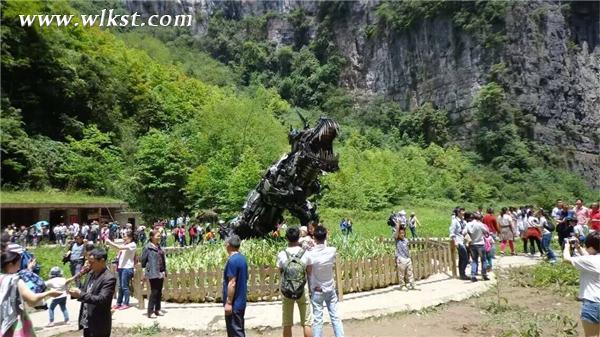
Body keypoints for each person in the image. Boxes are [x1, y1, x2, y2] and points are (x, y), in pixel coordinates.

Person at [1, 237, 63, 337]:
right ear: (10, 264)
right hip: (14, 325)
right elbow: (32, 300)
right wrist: (49, 293)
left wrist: (28, 271)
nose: (19, 266)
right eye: (18, 263)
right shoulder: (16, 281)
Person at [68, 248, 116, 337]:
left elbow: (102, 299)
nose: (89, 264)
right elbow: (86, 292)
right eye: (88, 261)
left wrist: (80, 294)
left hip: (99, 324)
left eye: (92, 262)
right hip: (87, 321)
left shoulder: (109, 278)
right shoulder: (91, 273)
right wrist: (74, 293)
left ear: (102, 261)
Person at [307, 226, 344, 337]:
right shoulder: (332, 251)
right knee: (335, 317)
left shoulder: (310, 254)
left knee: (317, 319)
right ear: (326, 236)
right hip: (330, 288)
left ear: (314, 238)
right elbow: (325, 246)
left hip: (317, 290)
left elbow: (308, 271)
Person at [562, 231, 600, 337]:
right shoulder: (594, 259)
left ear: (591, 247)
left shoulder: (590, 261)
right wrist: (578, 248)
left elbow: (566, 259)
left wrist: (566, 245)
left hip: (593, 304)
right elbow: (589, 256)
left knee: (591, 335)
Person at [277, 227, 313, 337]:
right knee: (307, 322)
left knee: (287, 323)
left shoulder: (282, 254)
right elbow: (309, 271)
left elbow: (280, 271)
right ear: (299, 237)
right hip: (302, 289)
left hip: (287, 290)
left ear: (286, 238)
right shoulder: (305, 253)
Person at [223, 235, 248, 337]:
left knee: (236, 332)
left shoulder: (232, 261)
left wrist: (229, 302)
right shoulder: (242, 258)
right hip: (241, 301)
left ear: (228, 245)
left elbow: (232, 283)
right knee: (236, 330)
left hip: (234, 304)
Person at [105, 231, 136, 310]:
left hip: (127, 268)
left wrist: (109, 241)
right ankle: (119, 303)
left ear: (130, 237)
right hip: (121, 268)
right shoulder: (125, 245)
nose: (123, 238)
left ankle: (126, 303)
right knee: (120, 287)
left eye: (125, 236)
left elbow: (119, 247)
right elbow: (117, 249)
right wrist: (109, 244)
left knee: (124, 286)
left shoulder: (132, 245)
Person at [141, 230, 166, 318]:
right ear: (151, 237)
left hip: (160, 272)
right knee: (154, 291)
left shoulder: (159, 247)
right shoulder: (147, 247)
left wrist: (164, 270)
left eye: (160, 236)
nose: (159, 237)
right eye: (157, 236)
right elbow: (143, 261)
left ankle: (157, 310)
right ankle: (150, 311)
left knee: (159, 292)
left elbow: (162, 260)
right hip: (152, 272)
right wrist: (144, 272)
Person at [464, 212, 489, 282]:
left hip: (472, 244)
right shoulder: (480, 224)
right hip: (480, 244)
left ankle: (473, 275)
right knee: (483, 260)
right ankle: (484, 274)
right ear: (479, 218)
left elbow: (464, 232)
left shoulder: (468, 224)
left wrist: (469, 237)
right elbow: (486, 231)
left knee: (474, 260)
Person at [449, 207, 468, 280]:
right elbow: (452, 231)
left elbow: (465, 229)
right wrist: (455, 241)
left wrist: (464, 231)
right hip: (458, 241)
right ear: (459, 212)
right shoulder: (455, 221)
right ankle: (462, 273)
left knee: (461, 258)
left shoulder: (463, 221)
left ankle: (462, 274)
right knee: (465, 258)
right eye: (463, 211)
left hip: (463, 240)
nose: (464, 212)